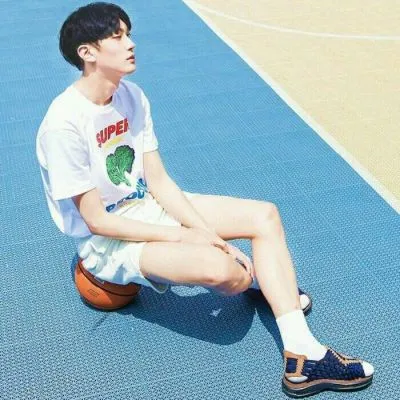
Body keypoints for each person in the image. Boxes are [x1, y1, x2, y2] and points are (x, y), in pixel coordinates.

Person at [36, 2, 374, 397]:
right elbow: (97, 220)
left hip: (146, 206)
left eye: (128, 34)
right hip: (108, 242)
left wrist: (203, 231)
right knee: (227, 273)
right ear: (87, 52)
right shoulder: (63, 124)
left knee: (264, 216)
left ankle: (303, 355)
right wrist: (184, 236)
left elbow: (159, 181)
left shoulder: (132, 96)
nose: (130, 43)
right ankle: (260, 282)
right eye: (117, 36)